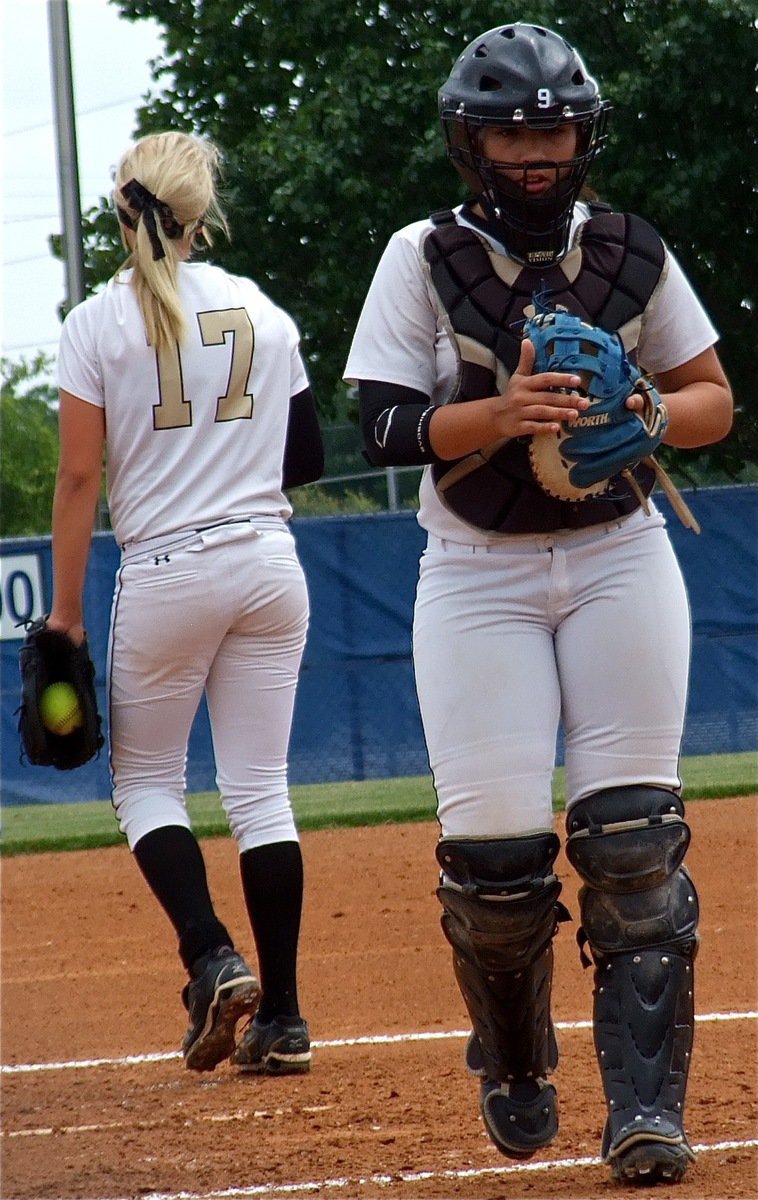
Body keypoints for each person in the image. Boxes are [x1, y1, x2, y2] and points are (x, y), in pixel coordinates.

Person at [345, 22, 732, 1186]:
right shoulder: (420, 255)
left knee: (632, 842)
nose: (534, 153)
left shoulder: (629, 248)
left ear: (584, 136)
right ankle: (513, 1058)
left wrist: (650, 414)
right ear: (468, 142)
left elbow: (711, 399)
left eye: (553, 131)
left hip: (618, 554)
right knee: (495, 866)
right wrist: (499, 414)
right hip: (476, 571)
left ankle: (645, 1112)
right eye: (510, 134)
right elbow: (381, 424)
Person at [47, 131, 324, 1077]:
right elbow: (305, 456)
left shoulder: (96, 322)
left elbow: (79, 477)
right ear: (201, 216)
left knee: (146, 783)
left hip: (168, 568)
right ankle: (283, 1019)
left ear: (121, 213)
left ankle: (210, 955)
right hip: (269, 563)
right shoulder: (262, 311)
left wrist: (65, 614)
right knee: (261, 790)